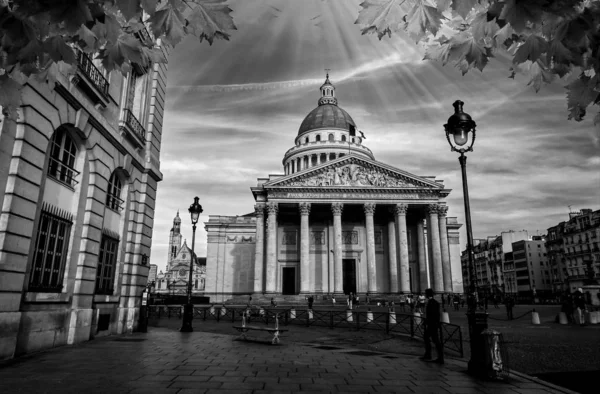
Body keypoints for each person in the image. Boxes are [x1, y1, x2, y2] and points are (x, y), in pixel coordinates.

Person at [420, 288, 443, 364]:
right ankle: (431, 355)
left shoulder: (431, 303)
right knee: (429, 338)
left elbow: (432, 315)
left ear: (427, 294)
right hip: (433, 324)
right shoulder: (434, 302)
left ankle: (438, 357)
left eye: (425, 294)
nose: (425, 295)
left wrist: (427, 322)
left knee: (434, 340)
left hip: (432, 324)